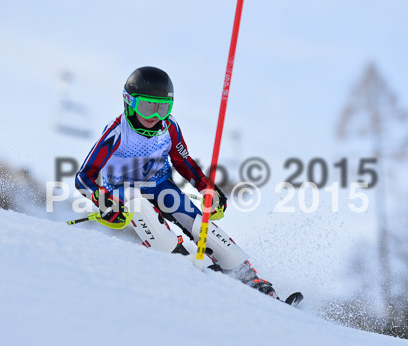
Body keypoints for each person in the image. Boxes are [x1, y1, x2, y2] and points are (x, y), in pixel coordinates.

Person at [75, 66, 277, 298]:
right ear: (129, 102)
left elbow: (184, 162)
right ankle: (182, 266)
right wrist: (103, 201)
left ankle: (247, 277)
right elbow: (84, 177)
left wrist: (206, 188)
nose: (154, 116)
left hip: (161, 187)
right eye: (147, 107)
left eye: (163, 108)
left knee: (198, 222)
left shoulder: (169, 127)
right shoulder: (117, 131)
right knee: (140, 207)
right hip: (122, 191)